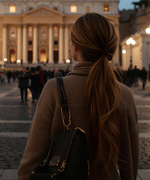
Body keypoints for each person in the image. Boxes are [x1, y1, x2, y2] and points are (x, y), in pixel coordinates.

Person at [18, 13, 139, 180]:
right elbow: (129, 163)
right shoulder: (124, 94)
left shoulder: (54, 89)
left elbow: (32, 158)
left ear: (74, 47)